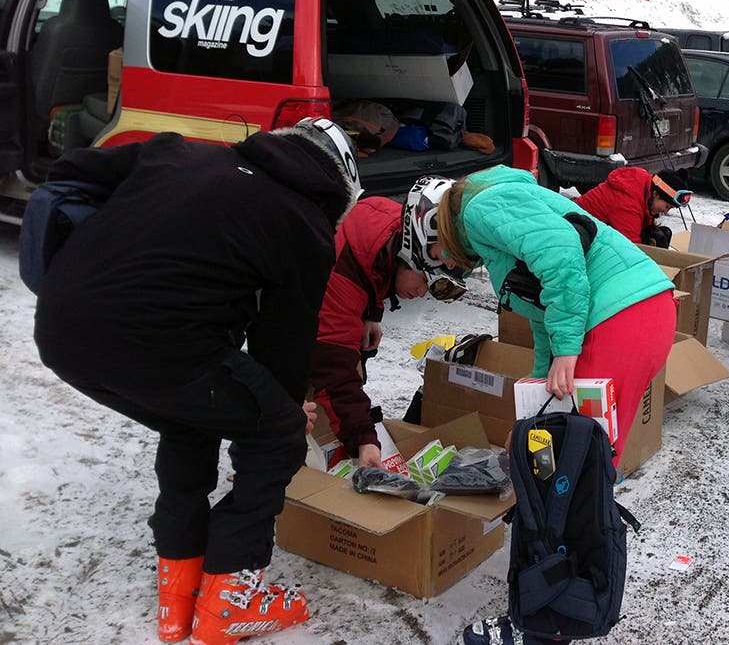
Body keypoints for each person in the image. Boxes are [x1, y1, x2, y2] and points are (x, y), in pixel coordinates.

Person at [32, 119, 362, 645]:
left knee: (192, 418)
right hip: (157, 344)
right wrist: (284, 407)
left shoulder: (180, 153)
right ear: (338, 190)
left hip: (62, 331)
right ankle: (231, 596)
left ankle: (178, 591)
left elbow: (72, 168)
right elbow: (284, 342)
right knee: (276, 434)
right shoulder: (304, 224)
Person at [433, 167, 676, 645]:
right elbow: (546, 309)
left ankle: (545, 625)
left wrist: (567, 350)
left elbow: (563, 257)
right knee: (581, 468)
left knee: (565, 474)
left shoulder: (481, 209)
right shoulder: (512, 200)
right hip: (641, 313)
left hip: (614, 319)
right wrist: (543, 385)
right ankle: (572, 604)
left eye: (446, 257)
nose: (454, 263)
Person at [310, 183, 467, 468]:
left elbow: (373, 266)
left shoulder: (395, 230)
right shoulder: (344, 274)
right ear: (410, 254)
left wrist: (371, 312)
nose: (422, 293)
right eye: (424, 281)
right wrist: (364, 439)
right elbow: (333, 367)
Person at [574, 166, 691, 247]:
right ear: (656, 194)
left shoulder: (645, 189)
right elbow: (632, 249)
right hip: (576, 233)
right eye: (667, 206)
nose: (665, 212)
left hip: (596, 232)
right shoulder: (627, 203)